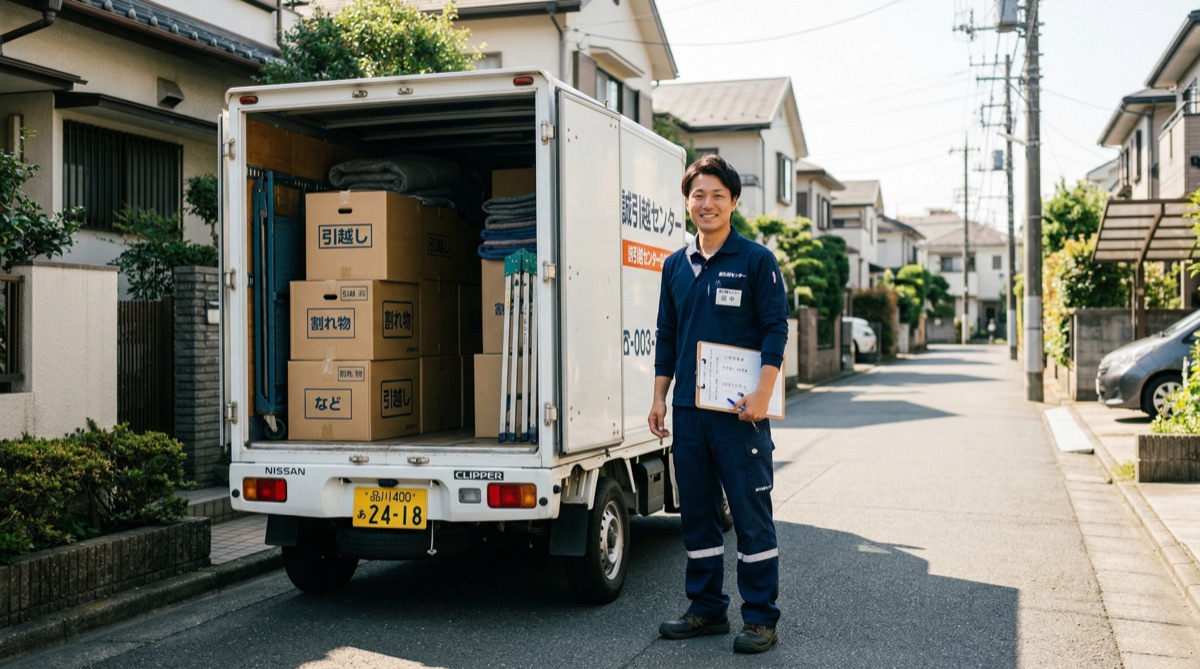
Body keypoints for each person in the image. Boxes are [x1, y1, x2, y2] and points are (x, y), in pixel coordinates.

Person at [648, 154, 789, 654]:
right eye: (698, 195)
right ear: (687, 203)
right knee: (699, 515)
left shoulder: (756, 260)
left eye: (716, 196)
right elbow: (667, 334)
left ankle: (760, 619)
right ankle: (706, 609)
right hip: (688, 412)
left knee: (751, 515)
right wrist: (660, 396)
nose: (706, 204)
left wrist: (764, 393)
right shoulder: (675, 265)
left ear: (733, 203)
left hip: (740, 415)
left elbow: (776, 328)